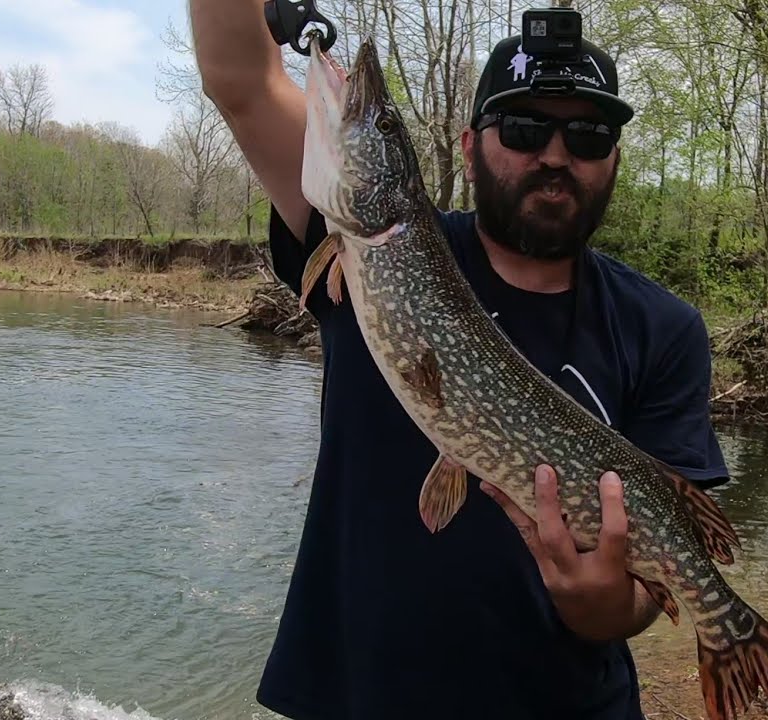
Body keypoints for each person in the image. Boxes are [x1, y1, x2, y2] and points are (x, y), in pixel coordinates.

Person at [191, 3, 731, 718]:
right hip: (356, 697)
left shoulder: (662, 327)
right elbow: (240, 80)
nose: (556, 154)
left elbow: (643, 589)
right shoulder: (369, 243)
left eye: (590, 134)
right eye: (526, 128)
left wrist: (603, 604)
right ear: (470, 146)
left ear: (615, 158)